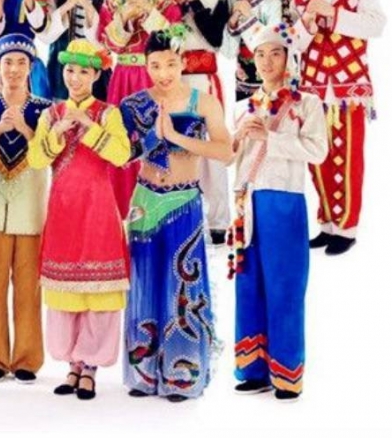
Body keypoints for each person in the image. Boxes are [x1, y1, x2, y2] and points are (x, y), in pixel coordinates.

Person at [119, 29, 233, 401]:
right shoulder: (134, 104)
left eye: (170, 63)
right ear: (146, 66)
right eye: (155, 65)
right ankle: (143, 373)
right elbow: (121, 156)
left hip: (184, 200)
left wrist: (177, 137)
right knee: (143, 281)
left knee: (184, 286)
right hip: (144, 200)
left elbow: (226, 152)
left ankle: (182, 373)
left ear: (183, 62)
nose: (163, 73)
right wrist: (149, 138)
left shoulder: (205, 102)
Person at [229, 21, 327, 401]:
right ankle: (253, 369)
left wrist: (269, 137)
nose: (267, 61)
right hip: (246, 201)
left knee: (285, 285)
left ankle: (287, 374)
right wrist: (239, 137)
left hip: (284, 201)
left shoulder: (306, 103)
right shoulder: (242, 107)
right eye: (260, 54)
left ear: (289, 58)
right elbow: (229, 159)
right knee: (249, 283)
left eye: (275, 53)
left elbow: (317, 151)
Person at [28, 39, 130, 401]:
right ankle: (72, 364)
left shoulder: (108, 113)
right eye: (70, 70)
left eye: (83, 72)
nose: (74, 78)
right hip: (63, 209)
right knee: (65, 288)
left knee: (97, 290)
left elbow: (122, 155)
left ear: (96, 75)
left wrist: (89, 126)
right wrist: (56, 134)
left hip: (98, 208)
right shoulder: (50, 115)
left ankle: (91, 367)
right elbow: (36, 161)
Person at [289, 0, 385, 255]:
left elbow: (376, 26)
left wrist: (333, 14)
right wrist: (308, 22)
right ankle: (328, 223)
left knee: (348, 157)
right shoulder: (301, 0)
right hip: (314, 92)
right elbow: (294, 45)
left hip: (348, 91)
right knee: (318, 157)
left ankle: (347, 227)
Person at [0, 34, 49, 383]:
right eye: (8, 63)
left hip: (30, 205)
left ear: (31, 67)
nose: (14, 70)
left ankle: (26, 359)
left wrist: (25, 130)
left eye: (21, 63)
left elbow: (49, 155)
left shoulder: (45, 109)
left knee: (28, 287)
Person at [157, 0, 231, 244]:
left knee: (211, 145)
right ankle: (175, 214)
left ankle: (218, 220)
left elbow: (215, 38)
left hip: (202, 76)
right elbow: (154, 38)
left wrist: (194, 2)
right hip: (169, 78)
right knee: (172, 145)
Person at [98, 0, 181, 214]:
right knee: (121, 138)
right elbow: (108, 44)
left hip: (154, 77)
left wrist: (148, 12)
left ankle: (158, 210)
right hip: (122, 77)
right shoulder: (112, 1)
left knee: (158, 137)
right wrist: (123, 18)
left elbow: (175, 39)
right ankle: (121, 210)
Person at [223, 0, 284, 101]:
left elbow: (271, 44)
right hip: (236, 79)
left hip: (266, 77)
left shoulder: (272, 5)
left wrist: (248, 16)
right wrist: (233, 65)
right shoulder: (230, 2)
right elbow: (226, 48)